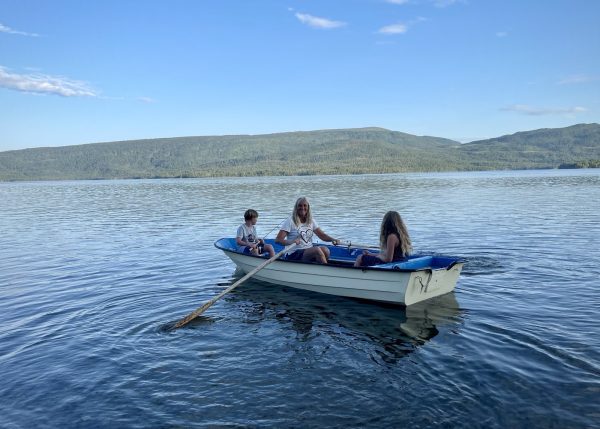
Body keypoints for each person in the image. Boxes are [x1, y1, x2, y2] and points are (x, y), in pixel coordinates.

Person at [275, 197, 339, 264]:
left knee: (326, 250)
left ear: (308, 207)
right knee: (317, 250)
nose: (302, 208)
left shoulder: (311, 221)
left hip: (307, 251)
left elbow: (322, 235)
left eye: (305, 205)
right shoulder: (290, 221)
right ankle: (327, 271)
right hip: (293, 253)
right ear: (296, 207)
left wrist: (333, 239)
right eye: (300, 205)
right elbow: (278, 240)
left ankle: (318, 269)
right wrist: (291, 242)